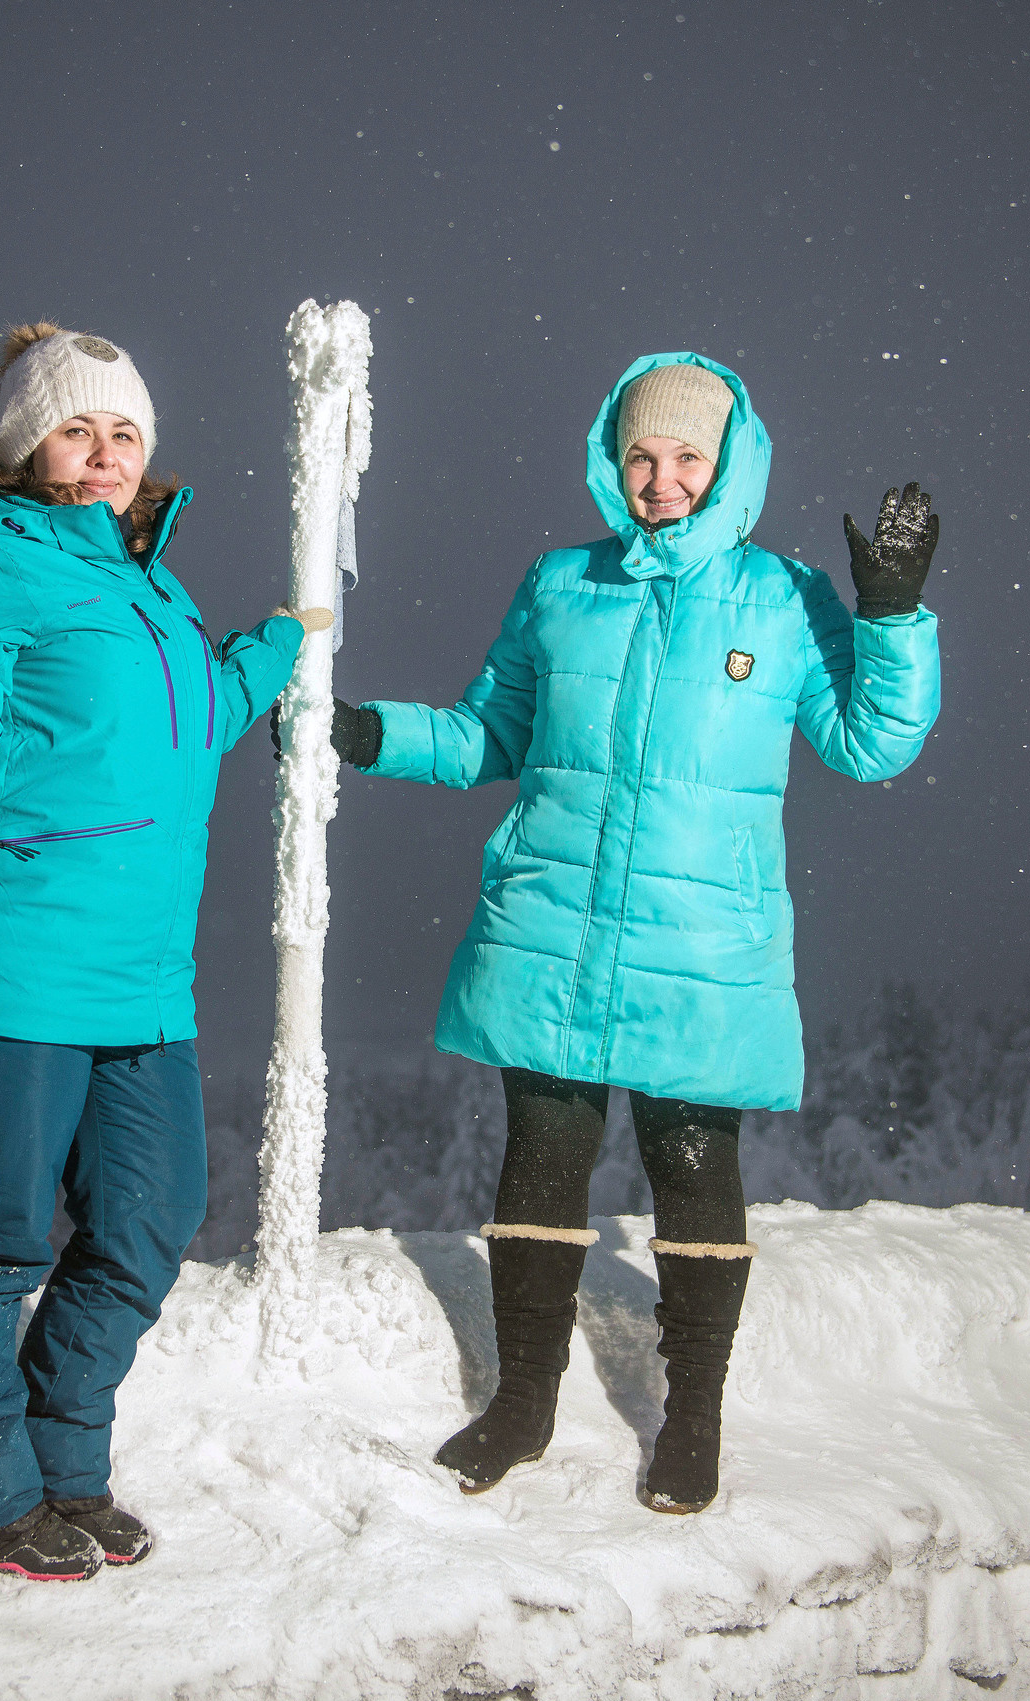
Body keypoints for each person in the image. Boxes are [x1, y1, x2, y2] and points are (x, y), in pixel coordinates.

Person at [328, 354, 943, 1513]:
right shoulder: (561, 584)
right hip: (554, 928)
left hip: (701, 944)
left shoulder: (785, 597)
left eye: (686, 458)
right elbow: (481, 735)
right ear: (614, 464)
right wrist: (369, 734)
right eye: (641, 458)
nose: (661, 480)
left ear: (731, 463)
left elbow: (873, 743)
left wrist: (895, 617)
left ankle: (692, 1419)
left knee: (695, 1173)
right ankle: (522, 1404)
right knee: (539, 1171)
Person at [0, 323, 329, 1580]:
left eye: (124, 432)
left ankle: (58, 1458)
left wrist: (271, 647)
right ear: (24, 441)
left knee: (150, 1222)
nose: (104, 454)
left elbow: (187, 722)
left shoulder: (145, 580)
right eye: (76, 428)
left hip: (139, 979)